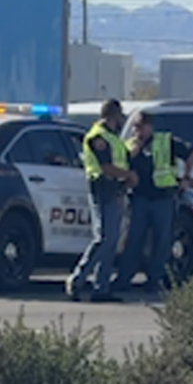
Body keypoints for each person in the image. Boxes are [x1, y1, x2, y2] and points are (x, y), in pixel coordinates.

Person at [112, 111, 193, 293]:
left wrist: (186, 177)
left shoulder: (165, 141)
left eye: (140, 126)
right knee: (134, 239)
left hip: (163, 198)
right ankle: (124, 279)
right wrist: (131, 155)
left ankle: (154, 281)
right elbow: (120, 167)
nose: (137, 130)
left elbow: (190, 152)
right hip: (140, 199)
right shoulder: (129, 146)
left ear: (150, 126)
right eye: (135, 126)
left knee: (162, 241)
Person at [66, 99, 137, 303]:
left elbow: (121, 158)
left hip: (115, 190)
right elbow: (106, 167)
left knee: (111, 240)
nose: (120, 122)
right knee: (105, 238)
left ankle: (101, 288)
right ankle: (77, 279)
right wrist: (128, 175)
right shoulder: (98, 137)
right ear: (112, 116)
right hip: (103, 189)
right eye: (118, 118)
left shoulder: (112, 138)